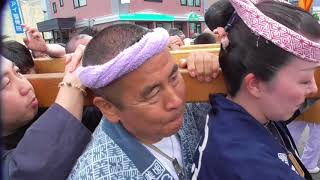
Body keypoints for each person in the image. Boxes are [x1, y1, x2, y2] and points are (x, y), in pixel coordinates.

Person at [67, 23, 219, 180]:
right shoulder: (96, 174)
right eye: (153, 93)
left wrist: (210, 70)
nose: (176, 101)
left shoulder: (184, 107)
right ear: (108, 108)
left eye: (173, 77)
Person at [192, 0, 320, 179]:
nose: (314, 88)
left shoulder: (237, 115)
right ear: (255, 84)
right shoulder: (256, 169)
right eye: (304, 80)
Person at [1, 45, 91, 180]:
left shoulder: (44, 109)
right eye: (6, 84)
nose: (26, 87)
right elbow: (22, 173)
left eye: (18, 72)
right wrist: (73, 84)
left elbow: (91, 116)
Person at [288, 99, 320, 174]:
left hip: (299, 101)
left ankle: (285, 159)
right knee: (316, 136)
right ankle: (308, 164)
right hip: (316, 101)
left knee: (291, 133)